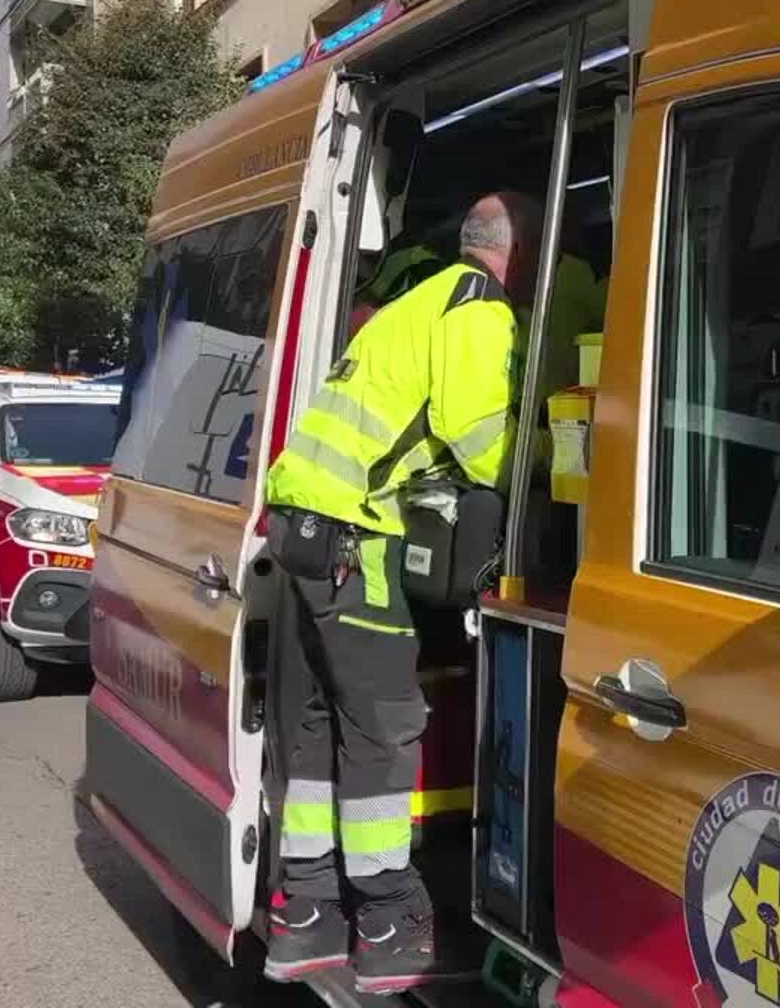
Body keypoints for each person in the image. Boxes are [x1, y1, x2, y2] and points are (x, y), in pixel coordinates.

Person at [259, 192, 540, 994]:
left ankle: (305, 913)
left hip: (302, 527)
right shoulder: (480, 308)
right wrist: (547, 471)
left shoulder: (414, 301)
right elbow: (478, 431)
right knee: (383, 725)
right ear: (516, 255)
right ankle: (389, 918)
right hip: (356, 538)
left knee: (316, 727)